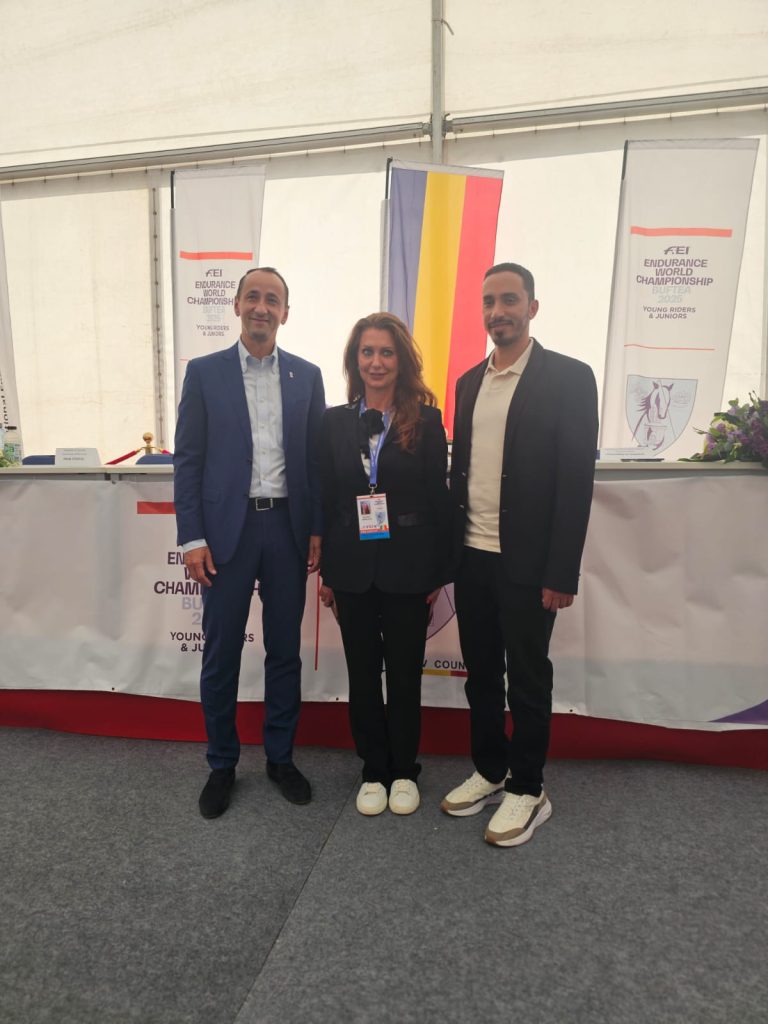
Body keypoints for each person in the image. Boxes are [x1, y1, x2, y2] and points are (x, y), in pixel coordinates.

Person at [441, 263, 598, 847]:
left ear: (532, 307)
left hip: (530, 566)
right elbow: (462, 474)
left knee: (528, 679)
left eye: (509, 300)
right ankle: (490, 769)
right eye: (489, 302)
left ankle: (529, 788)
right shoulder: (468, 383)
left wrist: (562, 571)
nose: (497, 311)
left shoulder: (570, 378)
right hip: (472, 557)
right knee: (481, 675)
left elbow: (575, 483)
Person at [174, 266, 325, 819]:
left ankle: (280, 759)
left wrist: (317, 528)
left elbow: (315, 460)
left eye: (273, 299)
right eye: (254, 297)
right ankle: (221, 764)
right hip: (224, 534)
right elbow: (188, 460)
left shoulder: (307, 376)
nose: (263, 307)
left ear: (286, 312)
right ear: (237, 305)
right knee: (221, 654)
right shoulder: (204, 373)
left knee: (285, 651)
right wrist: (192, 537)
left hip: (286, 530)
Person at [318, 312, 452, 817]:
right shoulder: (333, 422)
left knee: (403, 674)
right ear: (355, 360)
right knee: (361, 672)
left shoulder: (427, 421)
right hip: (351, 569)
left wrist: (438, 574)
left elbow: (438, 501)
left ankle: (403, 771)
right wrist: (328, 573)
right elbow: (329, 500)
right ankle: (373, 769)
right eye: (367, 352)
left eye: (386, 352)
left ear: (402, 361)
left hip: (409, 568)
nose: (376, 362)